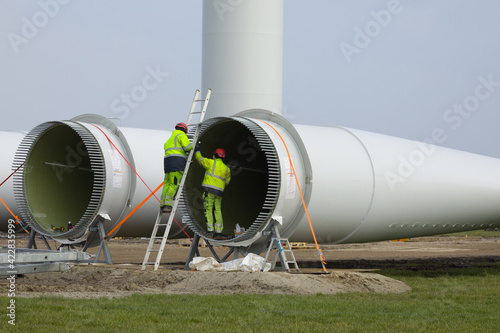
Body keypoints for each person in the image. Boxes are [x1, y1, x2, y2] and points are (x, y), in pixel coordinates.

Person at [195, 142, 231, 239]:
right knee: (218, 210)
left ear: (215, 155)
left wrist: (197, 149)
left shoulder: (211, 163)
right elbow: (227, 182)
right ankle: (218, 232)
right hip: (219, 193)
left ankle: (210, 231)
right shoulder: (227, 169)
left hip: (209, 190)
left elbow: (200, 159)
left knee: (208, 210)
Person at [160, 122, 192, 213]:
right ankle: (167, 205)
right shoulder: (181, 136)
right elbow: (188, 147)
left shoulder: (170, 139)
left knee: (167, 184)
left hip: (167, 165)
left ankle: (163, 204)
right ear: (185, 130)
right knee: (174, 185)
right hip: (177, 164)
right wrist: (195, 146)